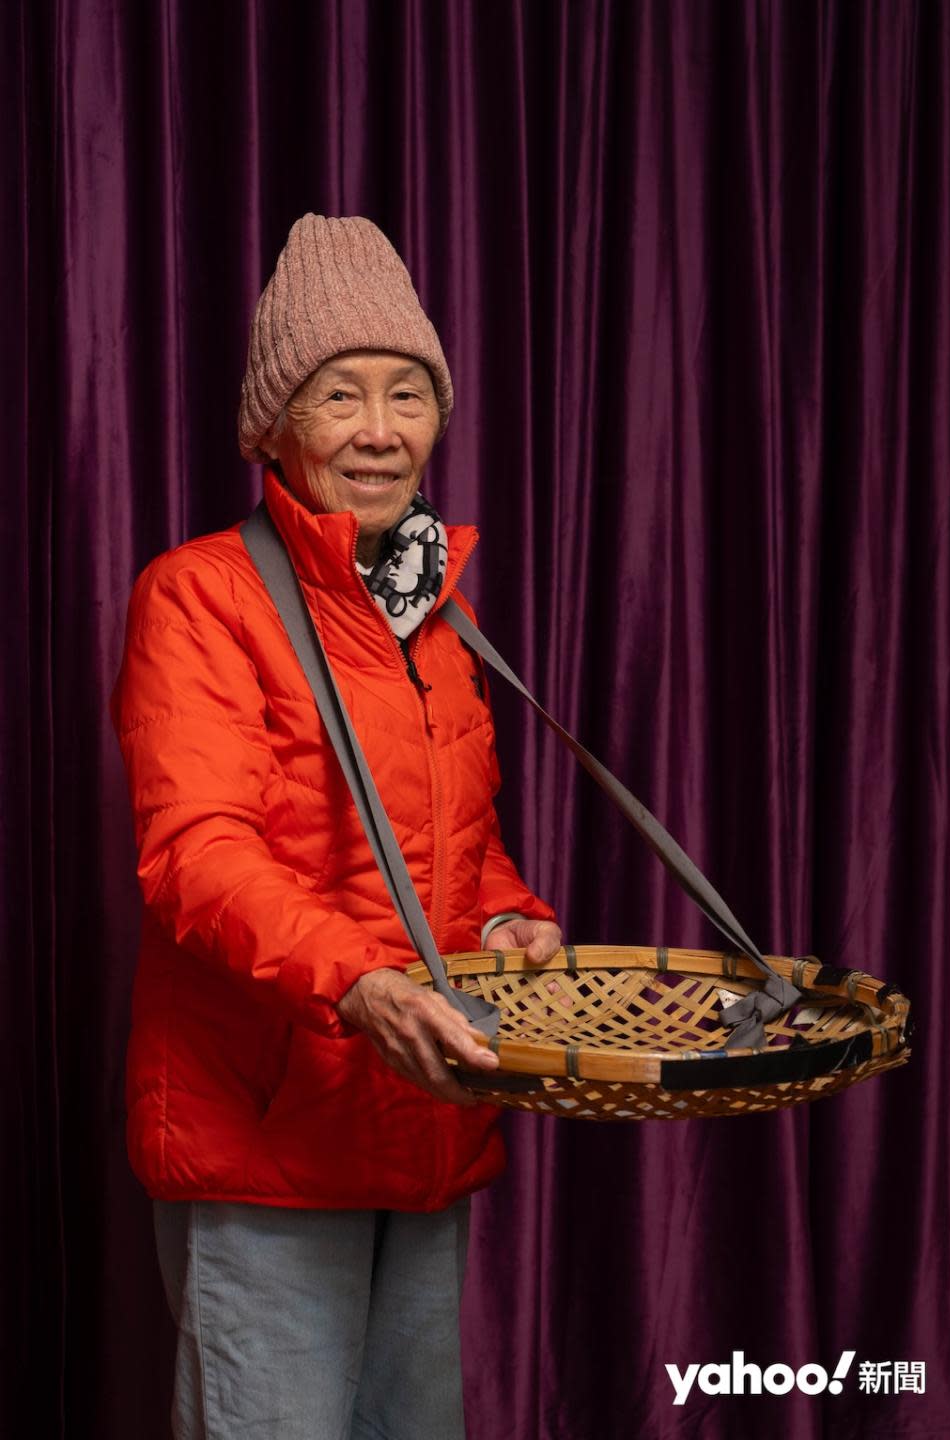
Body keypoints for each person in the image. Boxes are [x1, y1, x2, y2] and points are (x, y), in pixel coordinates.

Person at [110, 213, 561, 1440]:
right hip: (270, 1134)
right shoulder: (198, 596)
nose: (378, 428)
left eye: (407, 392)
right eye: (339, 393)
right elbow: (197, 854)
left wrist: (513, 917)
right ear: (274, 424)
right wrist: (363, 984)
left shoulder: (435, 611)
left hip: (425, 1127)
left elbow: (450, 843)